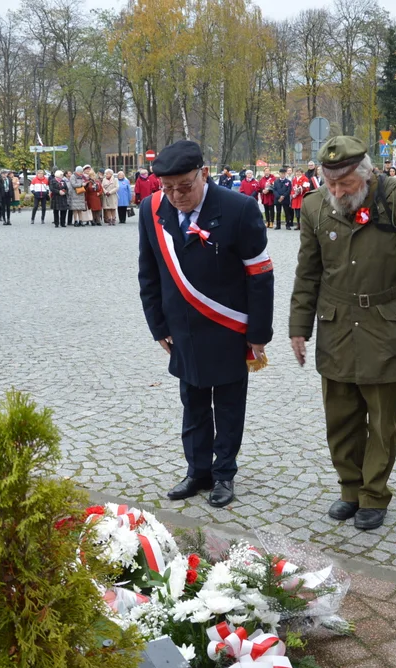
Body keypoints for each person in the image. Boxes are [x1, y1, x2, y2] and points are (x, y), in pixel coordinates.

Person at [289, 136, 396, 531]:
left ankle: (374, 494)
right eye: (331, 183)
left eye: (346, 184)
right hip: (336, 325)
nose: (337, 192)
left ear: (366, 175)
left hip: (386, 325)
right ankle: (350, 489)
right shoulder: (314, 206)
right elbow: (308, 273)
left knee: (381, 420)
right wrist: (298, 328)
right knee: (340, 418)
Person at [137, 140, 274, 509]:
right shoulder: (151, 210)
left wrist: (259, 334)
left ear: (204, 174)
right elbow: (149, 273)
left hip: (229, 327)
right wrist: (157, 325)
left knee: (229, 405)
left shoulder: (239, 208)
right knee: (192, 402)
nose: (176, 196)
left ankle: (224, 474)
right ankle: (197, 471)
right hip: (182, 329)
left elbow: (259, 275)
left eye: (185, 186)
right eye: (168, 188)